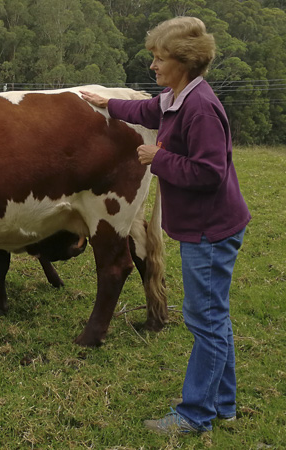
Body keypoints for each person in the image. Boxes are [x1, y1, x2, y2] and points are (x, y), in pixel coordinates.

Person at [81, 16, 251, 434]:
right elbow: (145, 109)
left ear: (185, 62)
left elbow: (210, 172)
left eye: (160, 59)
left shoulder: (202, 108)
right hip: (204, 227)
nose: (153, 66)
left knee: (204, 321)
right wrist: (107, 103)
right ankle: (224, 406)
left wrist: (158, 158)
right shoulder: (177, 97)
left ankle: (195, 416)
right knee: (215, 317)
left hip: (210, 230)